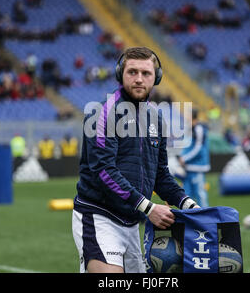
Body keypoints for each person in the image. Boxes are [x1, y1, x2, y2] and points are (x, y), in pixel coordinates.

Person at [72, 47, 199, 273]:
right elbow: (104, 171)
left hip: (132, 222)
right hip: (98, 217)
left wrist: (190, 205)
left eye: (146, 73)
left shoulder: (156, 118)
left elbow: (160, 175)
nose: (139, 79)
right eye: (132, 72)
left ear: (156, 78)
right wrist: (149, 208)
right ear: (121, 74)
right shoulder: (103, 113)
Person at [177, 108, 211, 208]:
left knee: (200, 194)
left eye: (187, 116)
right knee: (187, 195)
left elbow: (198, 148)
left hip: (197, 167)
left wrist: (184, 158)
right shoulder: (190, 128)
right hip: (188, 167)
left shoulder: (198, 128)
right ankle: (188, 218)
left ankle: (205, 219)